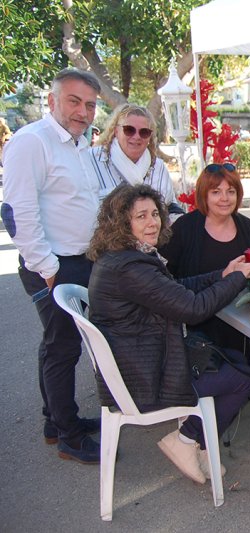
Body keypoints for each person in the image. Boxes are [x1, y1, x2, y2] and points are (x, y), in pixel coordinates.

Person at [87, 184, 250, 483]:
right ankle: (187, 440)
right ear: (122, 222)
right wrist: (235, 280)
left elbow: (175, 290)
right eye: (141, 216)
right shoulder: (131, 268)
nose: (152, 222)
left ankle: (197, 444)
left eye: (155, 214)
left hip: (138, 360)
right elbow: (193, 308)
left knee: (235, 359)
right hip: (144, 379)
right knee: (243, 378)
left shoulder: (123, 256)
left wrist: (222, 274)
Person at [1, 68, 102, 463]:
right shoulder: (32, 141)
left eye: (90, 105)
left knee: (58, 345)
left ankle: (55, 420)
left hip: (78, 260)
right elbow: (18, 213)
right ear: (52, 100)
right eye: (74, 101)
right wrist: (48, 269)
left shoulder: (79, 143)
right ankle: (69, 437)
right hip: (55, 265)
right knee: (64, 348)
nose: (83, 112)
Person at [161, 163, 250, 351]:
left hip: (243, 323)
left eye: (231, 192)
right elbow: (165, 279)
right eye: (216, 192)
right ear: (204, 195)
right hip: (198, 330)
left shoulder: (246, 226)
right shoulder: (185, 228)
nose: (225, 198)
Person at [90, 103, 183, 220]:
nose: (137, 136)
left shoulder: (158, 167)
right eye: (129, 130)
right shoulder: (92, 160)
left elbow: (170, 207)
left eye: (144, 132)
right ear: (116, 131)